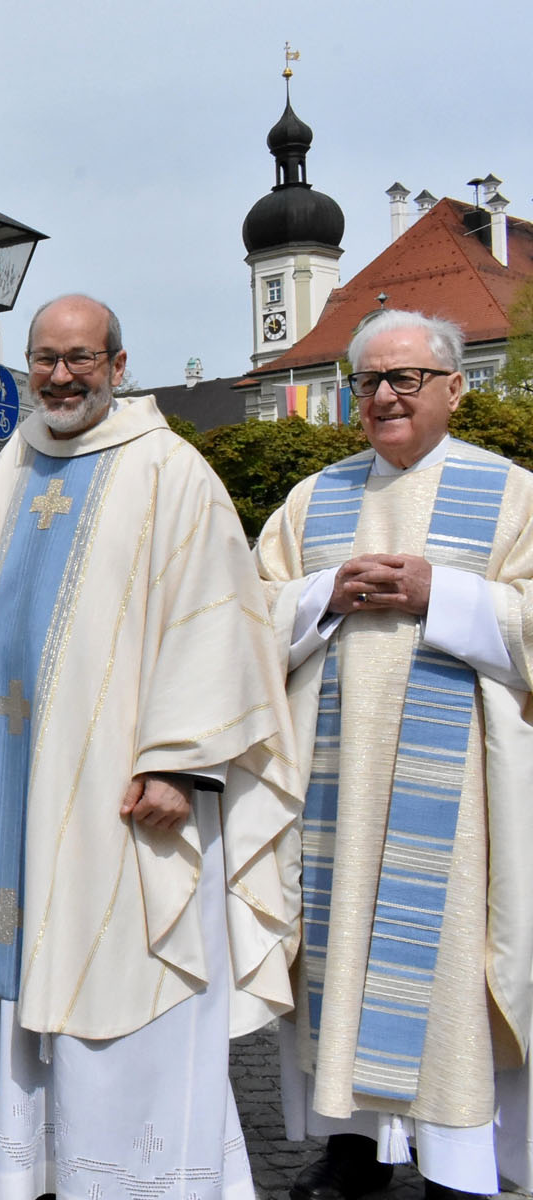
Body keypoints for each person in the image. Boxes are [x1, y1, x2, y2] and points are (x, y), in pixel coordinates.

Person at [0, 294, 301, 1200]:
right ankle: (43, 1168)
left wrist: (182, 763)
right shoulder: (3, 476)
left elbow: (218, 624)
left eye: (80, 358)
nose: (60, 376)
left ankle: (146, 1179)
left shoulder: (170, 473)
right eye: (45, 359)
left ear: (118, 364)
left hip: (130, 794)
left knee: (133, 968)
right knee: (28, 968)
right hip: (18, 785)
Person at [255, 309, 533, 1200]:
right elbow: (244, 620)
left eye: (404, 378)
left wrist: (441, 593)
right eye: (367, 380)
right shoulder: (314, 498)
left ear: (454, 388)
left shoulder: (513, 494)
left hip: (462, 808)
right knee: (333, 964)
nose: (382, 395)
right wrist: (322, 593)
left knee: (449, 976)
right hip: (331, 797)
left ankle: (461, 1168)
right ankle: (350, 1153)